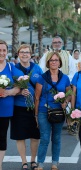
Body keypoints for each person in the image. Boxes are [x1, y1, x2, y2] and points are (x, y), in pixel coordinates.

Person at [35, 51, 71, 170]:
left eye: (56, 60)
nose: (54, 62)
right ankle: (40, 163)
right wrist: (36, 114)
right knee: (45, 138)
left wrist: (65, 102)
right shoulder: (42, 78)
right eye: (51, 60)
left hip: (58, 112)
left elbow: (69, 94)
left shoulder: (65, 78)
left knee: (56, 138)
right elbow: (37, 97)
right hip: (44, 111)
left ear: (59, 62)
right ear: (48, 63)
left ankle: (55, 162)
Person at [10, 44, 43, 170]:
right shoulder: (13, 69)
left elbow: (42, 86)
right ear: (18, 54)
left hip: (34, 107)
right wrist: (19, 92)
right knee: (20, 135)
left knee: (35, 135)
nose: (24, 54)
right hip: (18, 106)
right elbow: (8, 87)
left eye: (27, 52)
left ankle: (33, 161)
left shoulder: (37, 69)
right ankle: (24, 162)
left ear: (31, 54)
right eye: (22, 52)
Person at [0, 40, 23, 170]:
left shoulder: (10, 67)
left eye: (4, 50)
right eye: (0, 50)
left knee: (1, 137)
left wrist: (9, 92)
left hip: (5, 108)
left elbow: (22, 83)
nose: (2, 53)